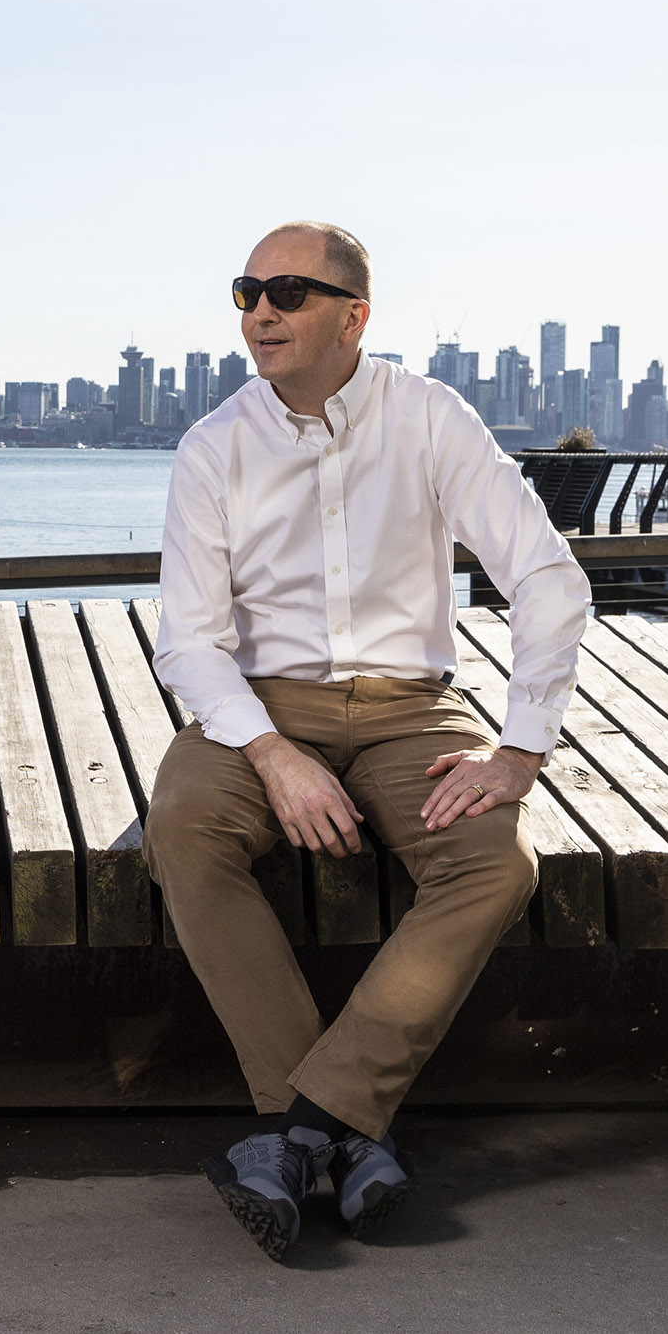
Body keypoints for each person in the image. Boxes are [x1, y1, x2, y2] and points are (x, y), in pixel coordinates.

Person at [148, 221, 589, 1259]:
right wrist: (270, 753)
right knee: (183, 830)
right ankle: (347, 1132)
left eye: (289, 292)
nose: (261, 311)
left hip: (411, 708)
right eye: (247, 291)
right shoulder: (214, 446)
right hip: (260, 709)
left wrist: (519, 750)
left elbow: (546, 576)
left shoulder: (430, 419)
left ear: (353, 317)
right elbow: (190, 643)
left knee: (493, 863)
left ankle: (300, 1132)